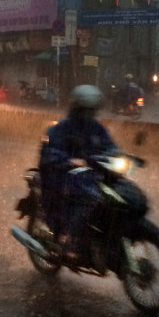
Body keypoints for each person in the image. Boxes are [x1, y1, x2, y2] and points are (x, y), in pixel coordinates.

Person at [39, 85, 119, 257]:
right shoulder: (61, 129)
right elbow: (50, 152)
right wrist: (68, 161)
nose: (89, 114)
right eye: (85, 110)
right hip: (64, 177)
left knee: (115, 198)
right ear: (76, 108)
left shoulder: (97, 129)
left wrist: (122, 156)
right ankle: (67, 237)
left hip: (91, 175)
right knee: (88, 198)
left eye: (92, 110)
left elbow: (110, 147)